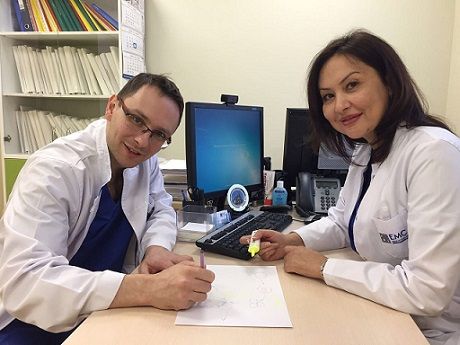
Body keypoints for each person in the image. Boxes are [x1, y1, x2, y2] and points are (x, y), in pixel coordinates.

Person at [242, 30, 460, 345]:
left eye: (352, 85)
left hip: (430, 333)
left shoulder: (433, 153)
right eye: (328, 96)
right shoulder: (366, 150)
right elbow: (344, 223)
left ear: (389, 82)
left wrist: (325, 268)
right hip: (385, 313)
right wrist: (293, 239)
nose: (339, 105)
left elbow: (427, 290)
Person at [0, 73, 215, 344]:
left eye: (159, 134)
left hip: (104, 312)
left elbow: (161, 208)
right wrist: (146, 289)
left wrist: (156, 248)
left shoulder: (143, 161)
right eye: (136, 119)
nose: (142, 141)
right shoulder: (54, 171)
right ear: (112, 107)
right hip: (32, 327)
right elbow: (28, 282)